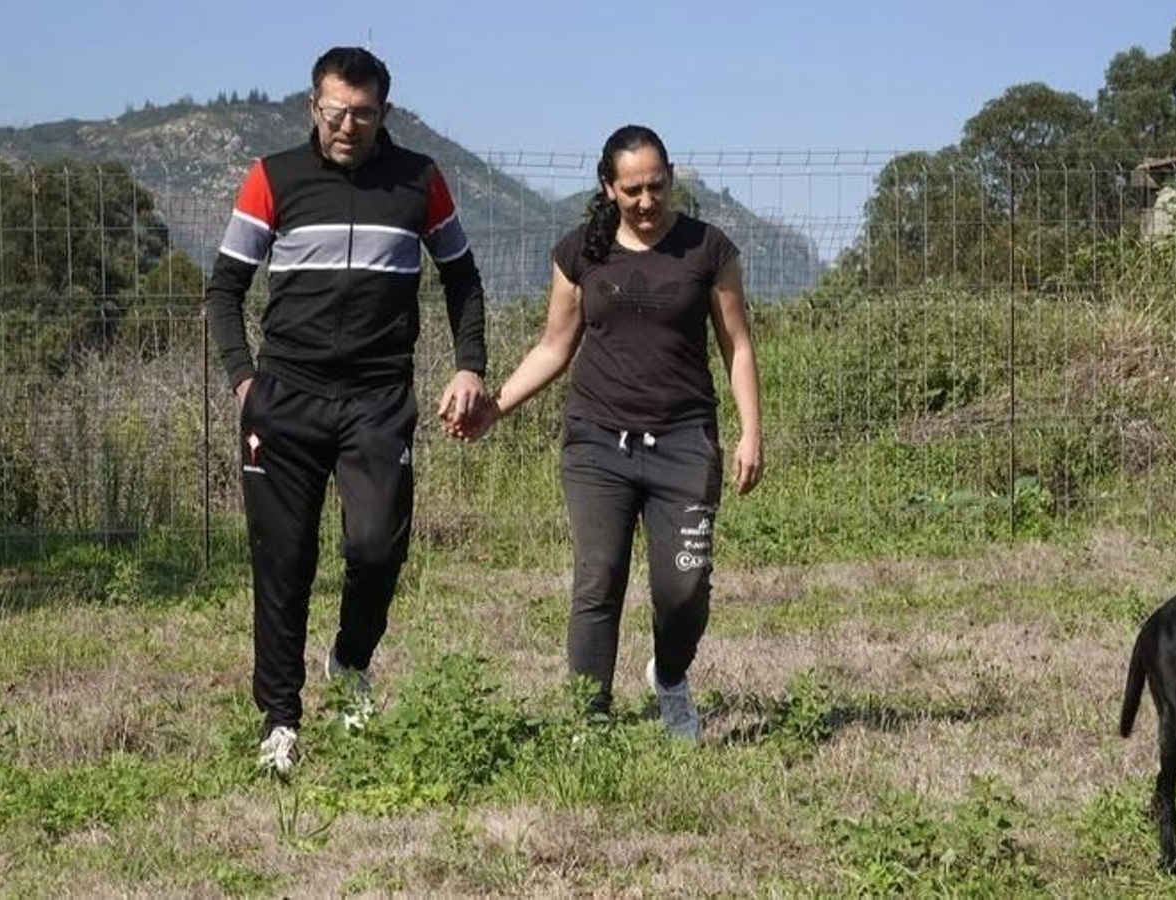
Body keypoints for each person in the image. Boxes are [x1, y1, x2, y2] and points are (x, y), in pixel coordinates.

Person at [204, 46, 489, 773]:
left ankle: (351, 658)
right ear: (313, 108)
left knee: (376, 547)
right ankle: (280, 720)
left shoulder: (420, 181)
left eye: (363, 114)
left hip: (378, 399)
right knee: (284, 563)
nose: (347, 126)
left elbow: (462, 280)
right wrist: (244, 382)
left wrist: (469, 365)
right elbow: (224, 289)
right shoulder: (273, 177)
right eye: (335, 112)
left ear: (383, 114)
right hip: (285, 399)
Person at [453, 125, 763, 740]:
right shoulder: (580, 252)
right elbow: (553, 346)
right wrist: (497, 406)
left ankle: (670, 676)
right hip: (597, 443)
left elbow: (738, 346)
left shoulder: (709, 249)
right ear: (608, 187)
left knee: (685, 586)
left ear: (671, 178)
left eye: (656, 186)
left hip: (683, 442)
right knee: (598, 580)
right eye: (632, 190)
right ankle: (587, 719)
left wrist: (751, 430)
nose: (646, 202)